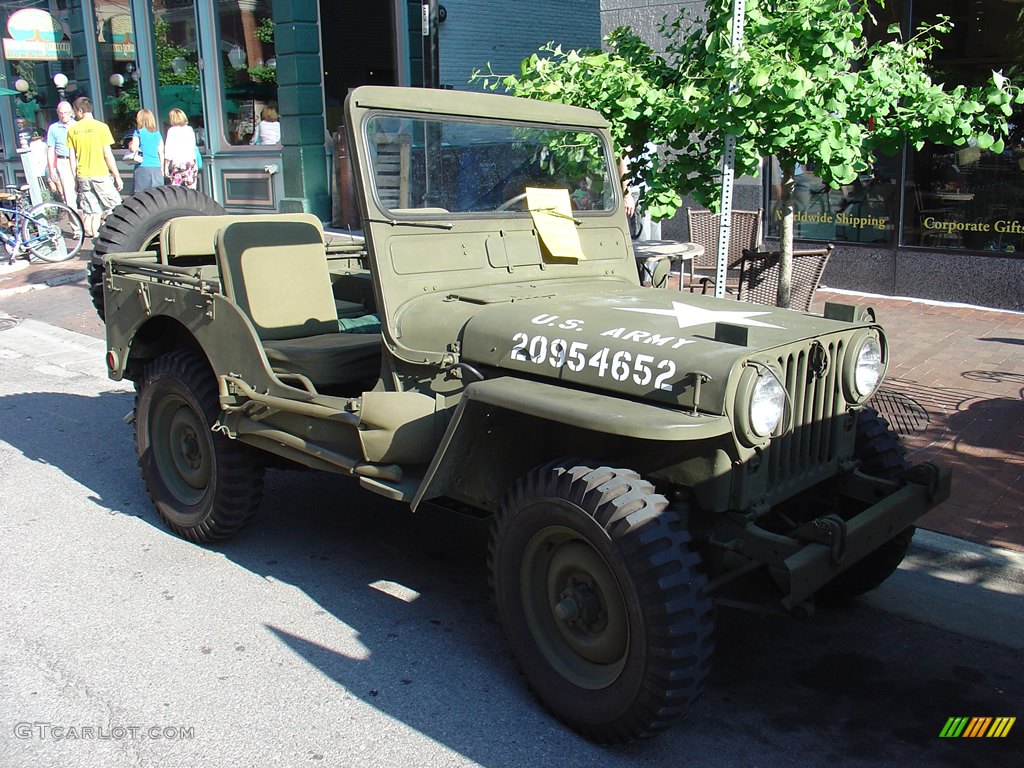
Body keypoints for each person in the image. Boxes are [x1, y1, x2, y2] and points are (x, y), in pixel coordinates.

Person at [66, 96, 123, 238]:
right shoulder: (101, 127)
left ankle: (95, 242)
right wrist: (117, 176)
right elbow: (107, 154)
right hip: (100, 174)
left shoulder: (72, 130)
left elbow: (72, 158)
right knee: (117, 207)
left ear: (79, 111)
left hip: (83, 175)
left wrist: (75, 178)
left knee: (92, 212)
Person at [46, 101, 77, 209]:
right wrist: (51, 169)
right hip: (63, 161)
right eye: (61, 113)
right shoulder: (53, 128)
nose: (63, 115)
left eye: (65, 113)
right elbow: (50, 149)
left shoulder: (77, 126)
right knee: (69, 195)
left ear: (71, 112)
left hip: (79, 160)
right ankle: (76, 225)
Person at [128, 108, 165, 193]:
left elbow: (134, 148)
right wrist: (162, 169)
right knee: (157, 195)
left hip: (142, 167)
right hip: (156, 167)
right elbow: (161, 153)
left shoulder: (138, 133)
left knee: (141, 196)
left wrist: (130, 145)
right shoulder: (157, 133)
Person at [163, 108, 198, 189]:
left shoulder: (172, 130)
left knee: (177, 190)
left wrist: (165, 167)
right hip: (191, 162)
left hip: (178, 163)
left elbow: (168, 150)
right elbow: (193, 146)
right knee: (191, 189)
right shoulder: (189, 129)